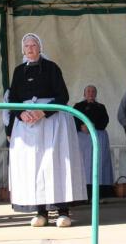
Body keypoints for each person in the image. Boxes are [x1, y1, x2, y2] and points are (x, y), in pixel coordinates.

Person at [8, 33, 86, 227]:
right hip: (27, 125)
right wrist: (20, 114)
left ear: (40, 47)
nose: (30, 49)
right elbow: (13, 99)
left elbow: (63, 95)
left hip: (52, 122)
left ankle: (62, 211)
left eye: (34, 45)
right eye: (26, 46)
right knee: (33, 166)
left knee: (56, 164)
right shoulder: (18, 71)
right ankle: (40, 211)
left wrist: (44, 111)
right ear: (23, 49)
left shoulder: (51, 68)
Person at [74, 85, 114, 202]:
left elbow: (105, 120)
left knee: (99, 165)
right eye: (88, 91)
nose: (91, 93)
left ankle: (99, 195)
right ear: (84, 93)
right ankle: (83, 196)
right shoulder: (78, 106)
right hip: (83, 140)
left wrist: (93, 126)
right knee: (84, 166)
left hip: (97, 138)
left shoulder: (101, 107)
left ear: (95, 94)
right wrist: (81, 126)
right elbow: (73, 119)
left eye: (93, 91)